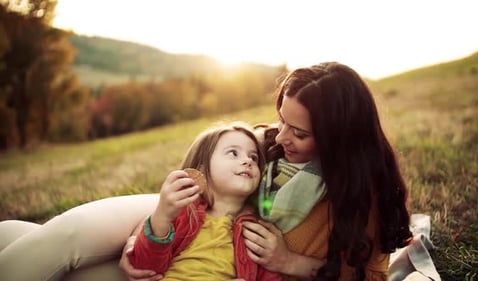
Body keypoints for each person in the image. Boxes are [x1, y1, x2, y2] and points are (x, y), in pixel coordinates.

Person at [0, 62, 413, 281]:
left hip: (220, 262)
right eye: (281, 120)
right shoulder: (270, 144)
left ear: (338, 138)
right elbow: (223, 152)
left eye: (299, 132)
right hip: (192, 213)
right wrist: (146, 235)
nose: (279, 136)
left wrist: (292, 262)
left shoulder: (365, 196)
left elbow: (370, 276)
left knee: (16, 236)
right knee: (64, 237)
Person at [127, 121, 281, 280]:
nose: (248, 161)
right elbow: (144, 268)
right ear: (200, 169)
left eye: (254, 157)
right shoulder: (185, 213)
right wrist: (163, 216)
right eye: (233, 153)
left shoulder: (257, 231)